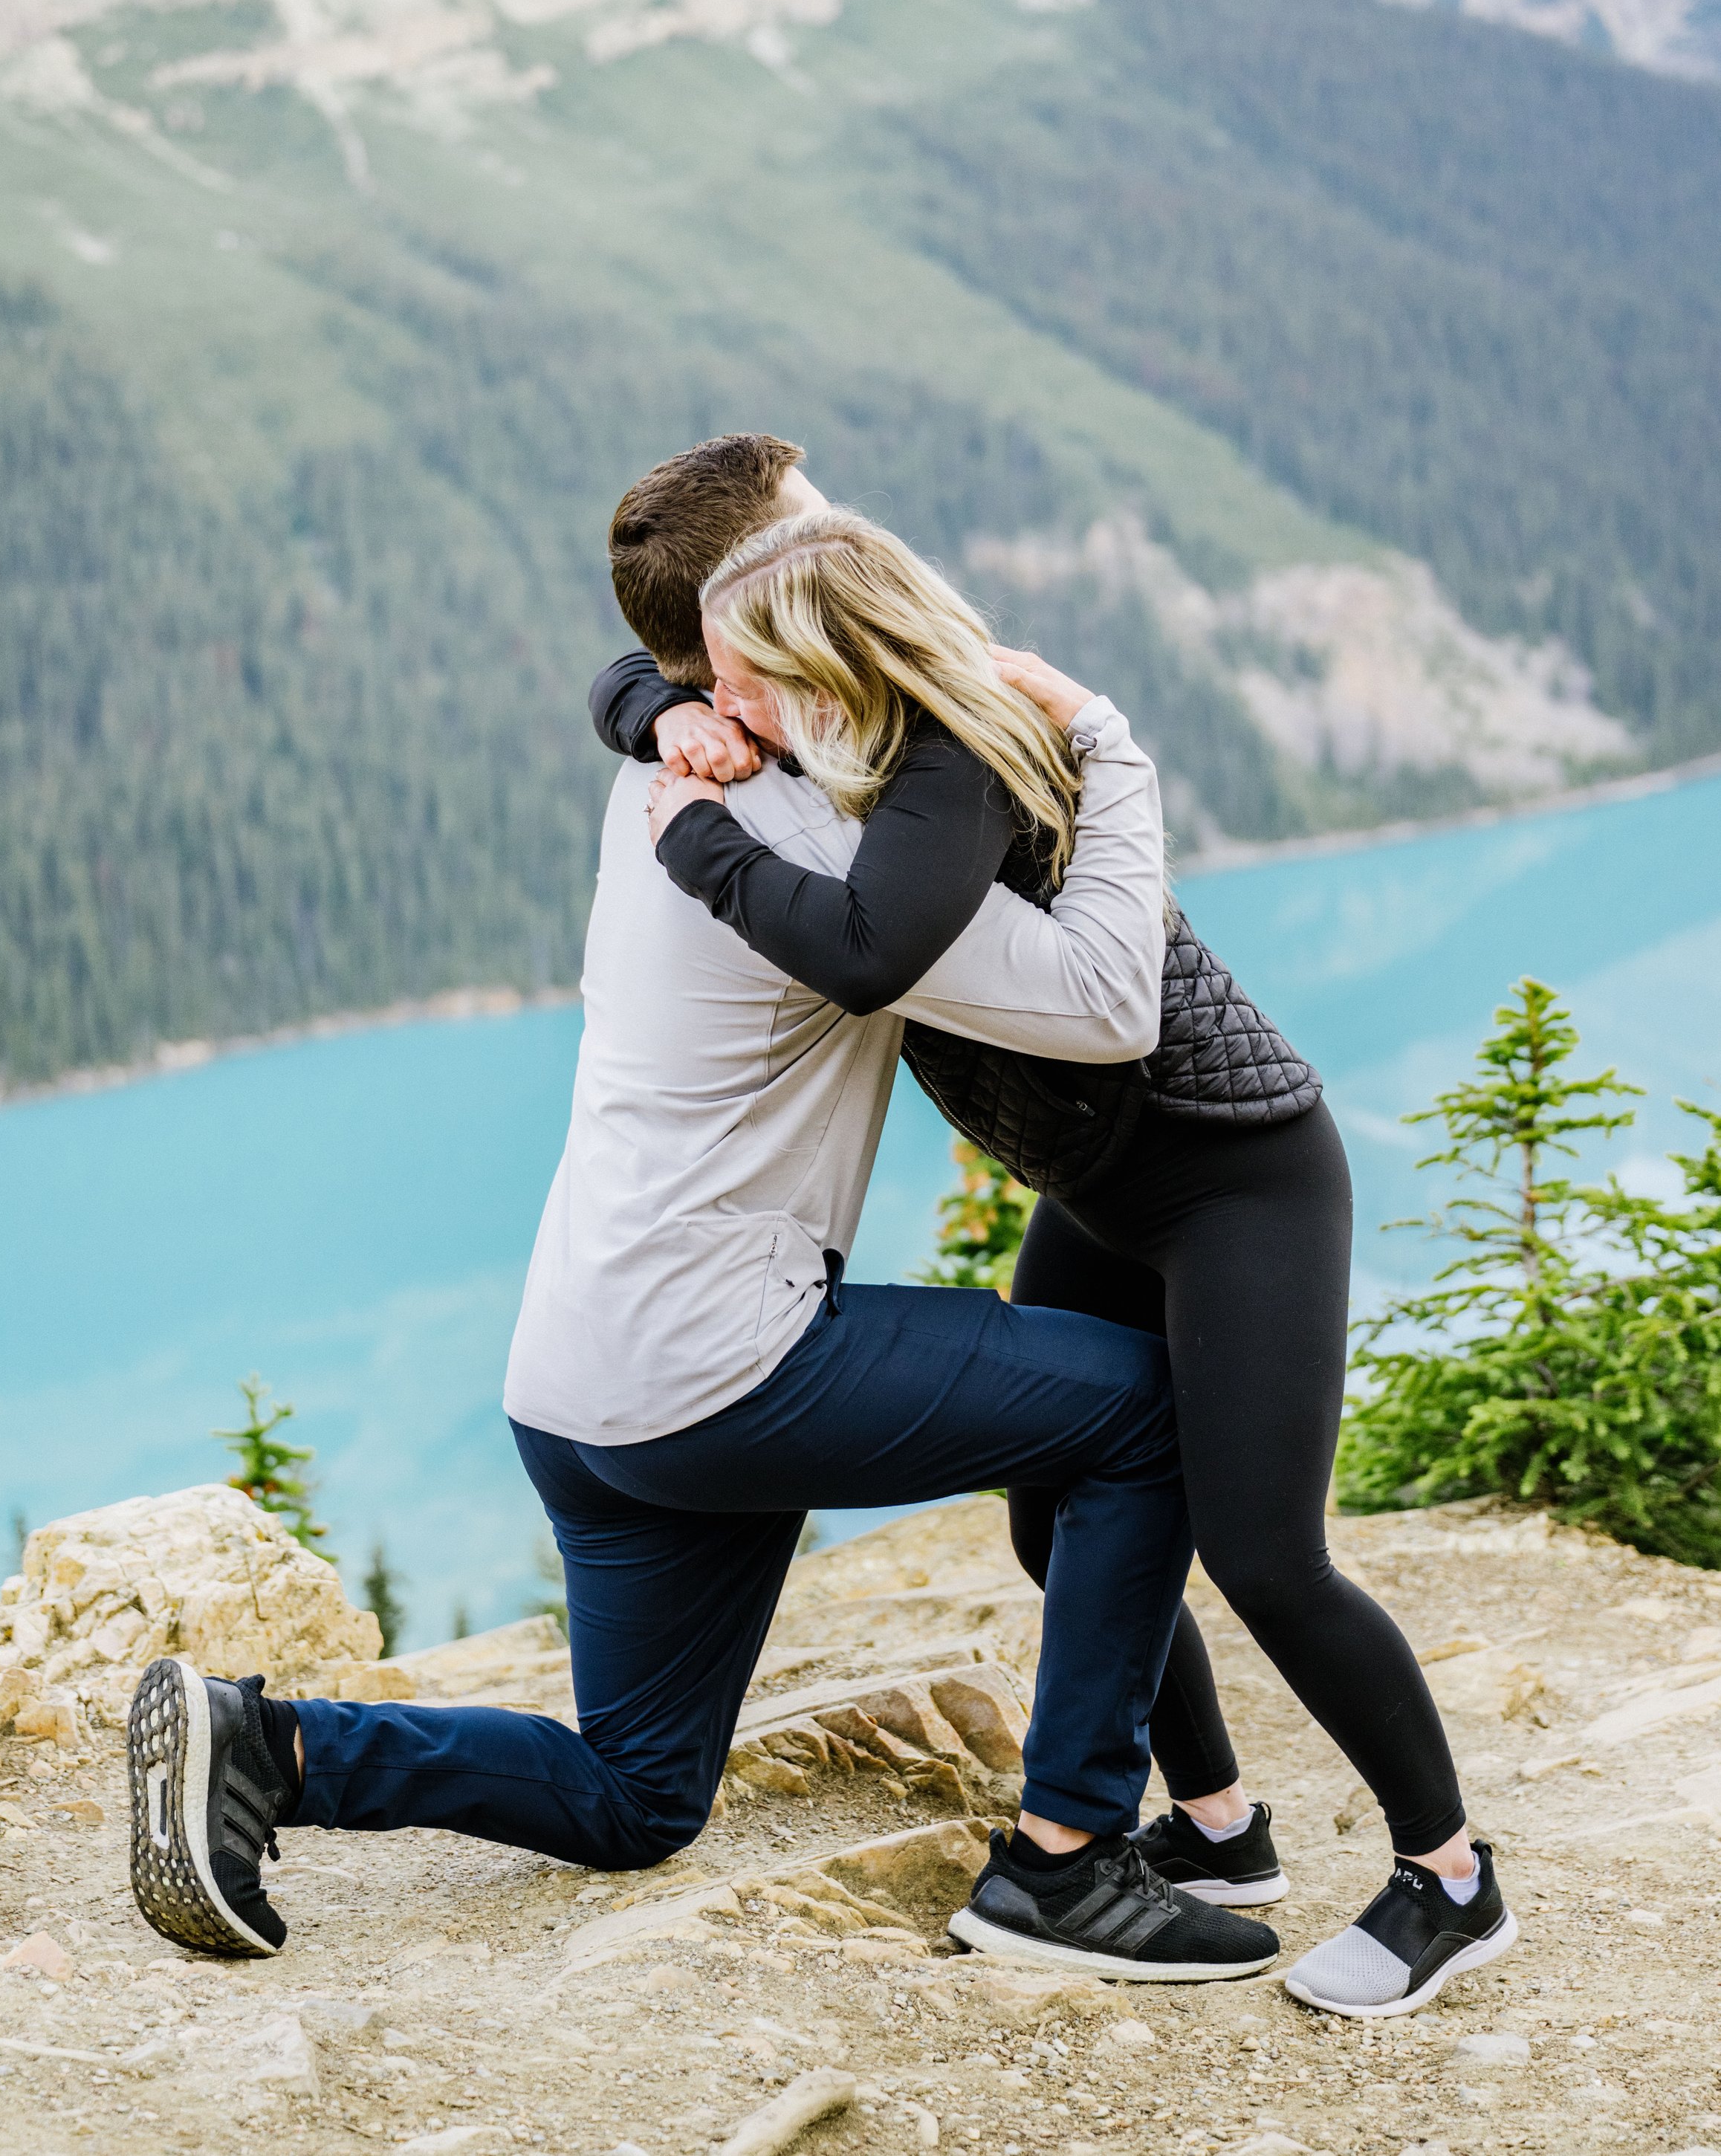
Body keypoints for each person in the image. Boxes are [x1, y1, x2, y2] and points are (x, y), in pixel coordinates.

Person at [126, 447, 1281, 1987]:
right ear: (748, 625)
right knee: (1142, 1419)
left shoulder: (665, 774)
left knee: (637, 1797)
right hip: (722, 1365)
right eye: (820, 527)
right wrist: (1113, 752)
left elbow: (644, 672)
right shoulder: (815, 846)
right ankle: (1065, 1863)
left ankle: (269, 1748)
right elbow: (1097, 998)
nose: (865, 537)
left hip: (576, 1378)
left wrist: (653, 697)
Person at [592, 447, 1518, 2023]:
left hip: (1236, 1176)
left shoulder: (946, 746)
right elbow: (636, 668)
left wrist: (699, 841)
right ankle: (1218, 1834)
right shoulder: (816, 710)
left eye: (734, 680)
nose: (719, 700)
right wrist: (655, 707)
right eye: (711, 675)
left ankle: (1448, 1879)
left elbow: (878, 947)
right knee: (1054, 1522)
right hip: (1106, 1184)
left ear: (805, 628)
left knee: (1265, 1553)